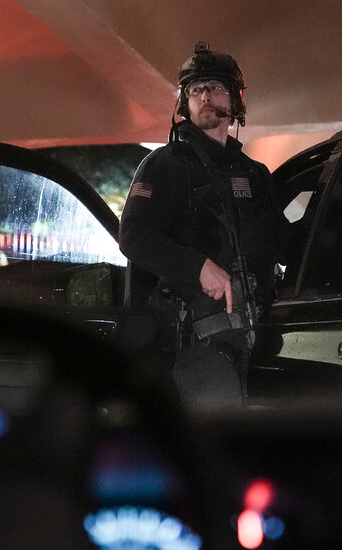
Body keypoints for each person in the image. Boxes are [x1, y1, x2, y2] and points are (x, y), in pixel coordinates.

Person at [118, 43, 288, 405]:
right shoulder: (164, 165)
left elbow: (284, 242)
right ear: (185, 103)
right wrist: (198, 267)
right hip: (201, 341)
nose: (206, 96)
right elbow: (133, 236)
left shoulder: (255, 174)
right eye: (196, 90)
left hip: (260, 334)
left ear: (236, 102)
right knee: (219, 431)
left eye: (216, 87)